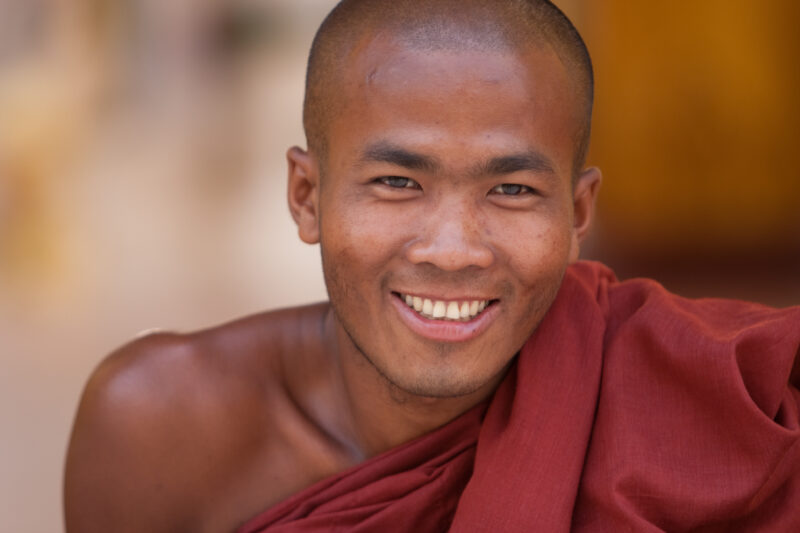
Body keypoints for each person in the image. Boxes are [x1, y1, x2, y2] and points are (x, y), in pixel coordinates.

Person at [64, 1, 800, 531]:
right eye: (397, 182)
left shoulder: (725, 399)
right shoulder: (156, 427)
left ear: (579, 215)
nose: (452, 250)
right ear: (306, 195)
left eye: (512, 189)